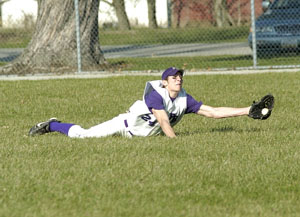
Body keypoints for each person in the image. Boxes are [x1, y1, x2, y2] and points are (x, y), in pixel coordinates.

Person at [28, 67, 258, 138]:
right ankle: (52, 124)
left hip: (144, 136)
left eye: (180, 77)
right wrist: (177, 145)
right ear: (165, 82)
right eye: (173, 77)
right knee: (84, 135)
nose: (178, 79)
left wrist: (247, 110)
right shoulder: (155, 93)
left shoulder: (184, 98)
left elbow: (214, 112)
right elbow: (164, 121)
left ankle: (248, 109)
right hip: (125, 126)